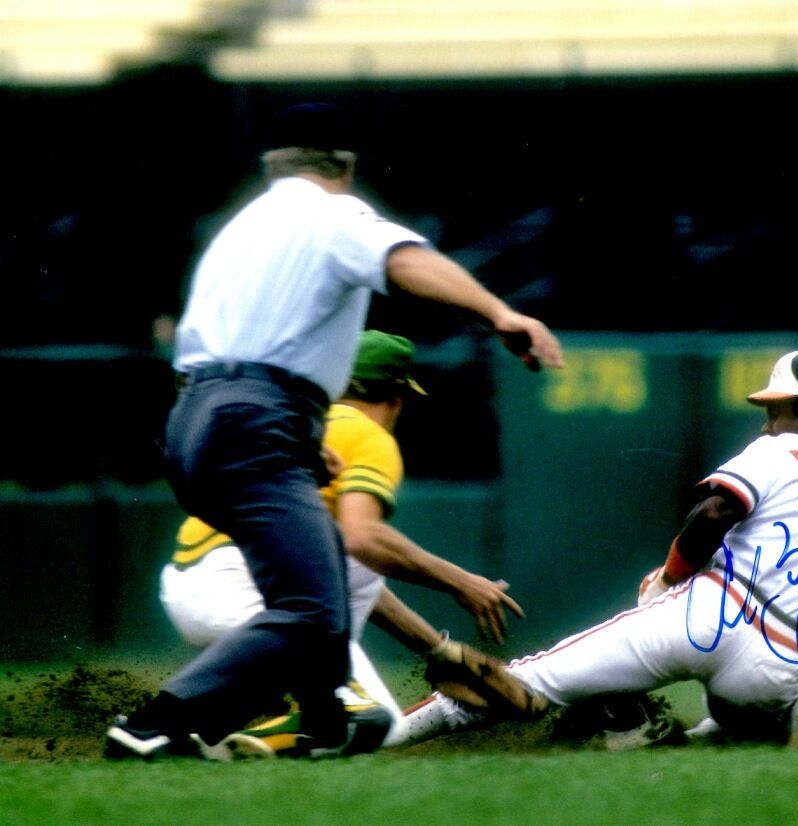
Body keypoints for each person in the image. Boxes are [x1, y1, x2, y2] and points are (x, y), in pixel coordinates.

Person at [105, 101, 564, 761]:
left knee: (323, 579)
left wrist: (289, 432)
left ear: (273, 164)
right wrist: (497, 311)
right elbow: (405, 260)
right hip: (253, 416)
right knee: (313, 612)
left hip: (198, 418)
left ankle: (324, 723)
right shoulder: (328, 213)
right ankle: (155, 725)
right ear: (342, 165)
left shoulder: (238, 230)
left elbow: (226, 352)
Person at [396, 349, 798, 748]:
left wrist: (669, 578)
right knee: (745, 742)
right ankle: (658, 737)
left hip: (704, 613)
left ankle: (387, 737)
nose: (768, 419)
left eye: (777, 407)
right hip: (780, 661)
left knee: (528, 684)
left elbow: (715, 512)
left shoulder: (779, 450)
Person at [158, 329, 524, 753]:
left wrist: (437, 650)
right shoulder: (368, 436)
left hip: (191, 586)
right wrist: (461, 582)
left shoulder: (292, 421)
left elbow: (353, 567)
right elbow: (364, 540)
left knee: (368, 712)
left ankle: (187, 731)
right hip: (241, 587)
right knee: (362, 720)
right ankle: (238, 745)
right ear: (397, 397)